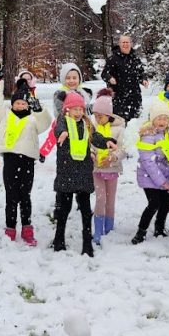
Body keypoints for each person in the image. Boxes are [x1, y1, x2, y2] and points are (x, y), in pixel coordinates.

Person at [52, 92, 117, 256]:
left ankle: (87, 243)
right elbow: (57, 129)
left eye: (81, 109)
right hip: (66, 171)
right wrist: (62, 133)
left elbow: (95, 137)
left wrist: (107, 141)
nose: (79, 112)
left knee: (86, 210)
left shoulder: (87, 124)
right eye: (75, 109)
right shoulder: (63, 121)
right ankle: (59, 240)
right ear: (67, 109)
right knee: (64, 209)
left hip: (83, 172)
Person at [0, 78, 52, 246]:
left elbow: (46, 122)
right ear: (12, 104)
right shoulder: (5, 116)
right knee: (11, 196)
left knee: (25, 196)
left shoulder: (33, 119)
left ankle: (27, 228)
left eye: (23, 103)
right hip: (10, 160)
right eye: (16, 103)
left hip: (27, 161)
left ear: (27, 105)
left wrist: (39, 110)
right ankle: (10, 228)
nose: (19, 106)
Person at [132, 101, 169, 244]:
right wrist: (162, 181)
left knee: (166, 202)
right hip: (148, 177)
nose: (162, 121)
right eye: (159, 118)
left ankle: (159, 228)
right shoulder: (147, 135)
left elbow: (166, 152)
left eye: (165, 118)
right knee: (154, 203)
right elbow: (148, 161)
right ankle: (141, 231)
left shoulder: (166, 134)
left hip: (162, 176)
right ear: (153, 119)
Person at [90, 89, 126, 246]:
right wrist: (92, 155)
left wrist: (112, 158)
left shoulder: (119, 129)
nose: (98, 119)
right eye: (96, 116)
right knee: (100, 198)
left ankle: (109, 227)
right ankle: (97, 229)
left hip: (112, 168)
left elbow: (123, 149)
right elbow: (90, 145)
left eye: (101, 116)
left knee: (110, 200)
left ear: (109, 115)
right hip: (97, 169)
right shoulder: (94, 128)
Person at [101, 35, 148, 123]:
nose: (125, 44)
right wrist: (110, 78)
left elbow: (141, 73)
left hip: (135, 96)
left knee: (135, 123)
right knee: (120, 123)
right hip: (119, 96)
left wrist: (143, 80)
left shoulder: (135, 59)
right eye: (123, 42)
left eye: (127, 42)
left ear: (131, 44)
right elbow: (104, 74)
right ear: (119, 44)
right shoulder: (113, 59)